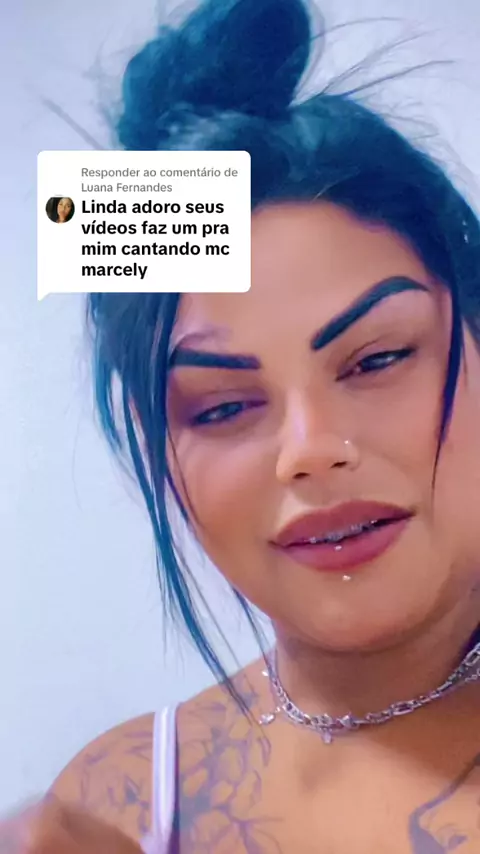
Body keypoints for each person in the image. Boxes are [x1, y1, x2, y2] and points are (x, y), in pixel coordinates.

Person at [5, 0, 480, 851]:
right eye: (222, 407)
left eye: (377, 359)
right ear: (159, 449)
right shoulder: (114, 802)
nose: (311, 450)